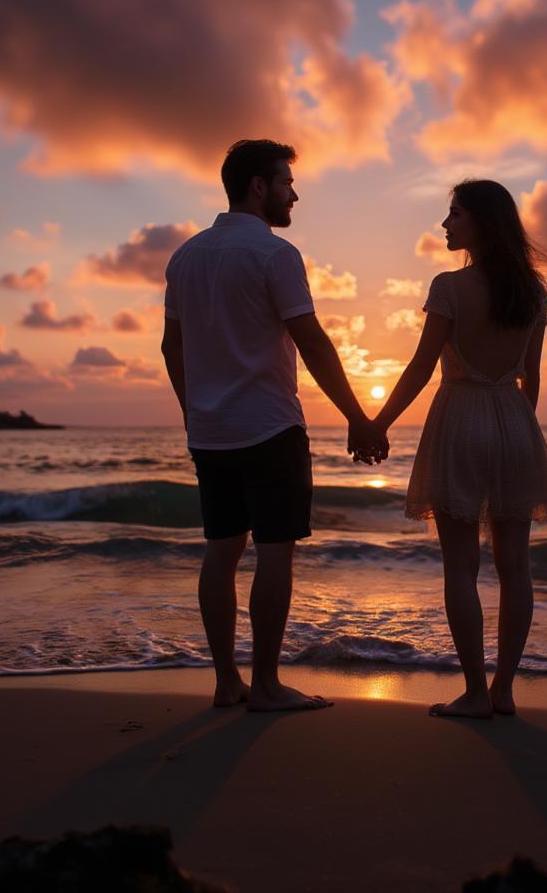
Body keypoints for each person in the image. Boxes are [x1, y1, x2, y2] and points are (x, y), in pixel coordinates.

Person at [161, 139, 387, 712]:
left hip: (210, 433)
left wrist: (195, 412)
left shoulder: (185, 257)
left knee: (222, 550)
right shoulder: (274, 255)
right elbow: (310, 340)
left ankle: (225, 682)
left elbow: (171, 346)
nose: (294, 191)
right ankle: (264, 685)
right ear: (258, 186)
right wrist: (359, 419)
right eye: (286, 180)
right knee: (274, 552)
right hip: (269, 426)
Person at [373, 179, 547, 718]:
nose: (445, 225)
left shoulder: (448, 287)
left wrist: (378, 423)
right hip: (513, 420)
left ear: (481, 223)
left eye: (455, 215)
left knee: (460, 567)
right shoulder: (533, 293)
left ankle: (472, 693)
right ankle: (504, 692)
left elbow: (421, 368)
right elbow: (531, 378)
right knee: (515, 567)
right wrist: (517, 434)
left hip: (460, 416)